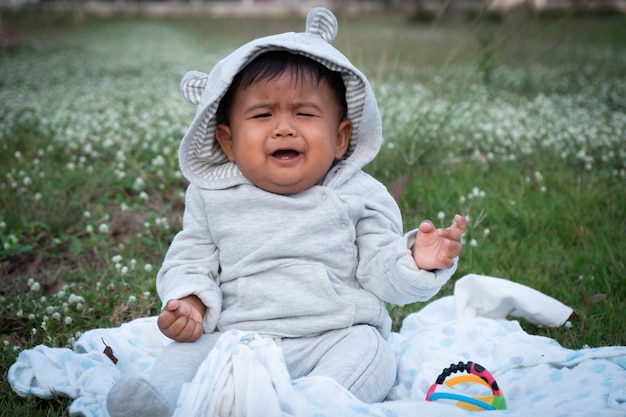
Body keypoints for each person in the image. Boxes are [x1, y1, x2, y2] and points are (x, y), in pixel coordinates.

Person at [106, 7, 466, 417]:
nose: (283, 128)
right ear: (227, 141)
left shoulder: (361, 194)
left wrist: (415, 261)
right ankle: (161, 403)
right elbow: (192, 257)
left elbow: (380, 271)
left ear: (341, 137)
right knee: (184, 354)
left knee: (372, 353)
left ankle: (314, 405)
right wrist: (190, 302)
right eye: (262, 115)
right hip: (236, 341)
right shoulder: (213, 196)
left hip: (332, 335)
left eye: (305, 113)